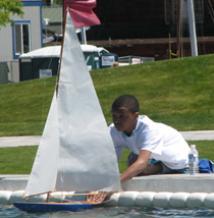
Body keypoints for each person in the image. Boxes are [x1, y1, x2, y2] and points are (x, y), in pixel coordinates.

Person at [110, 94, 190, 183]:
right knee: (132, 162)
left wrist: (114, 184)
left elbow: (142, 163)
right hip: (155, 158)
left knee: (136, 166)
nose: (117, 121)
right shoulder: (113, 130)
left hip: (178, 163)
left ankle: (159, 168)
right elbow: (110, 162)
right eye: (114, 116)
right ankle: (156, 166)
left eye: (122, 116)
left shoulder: (149, 129)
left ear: (135, 116)